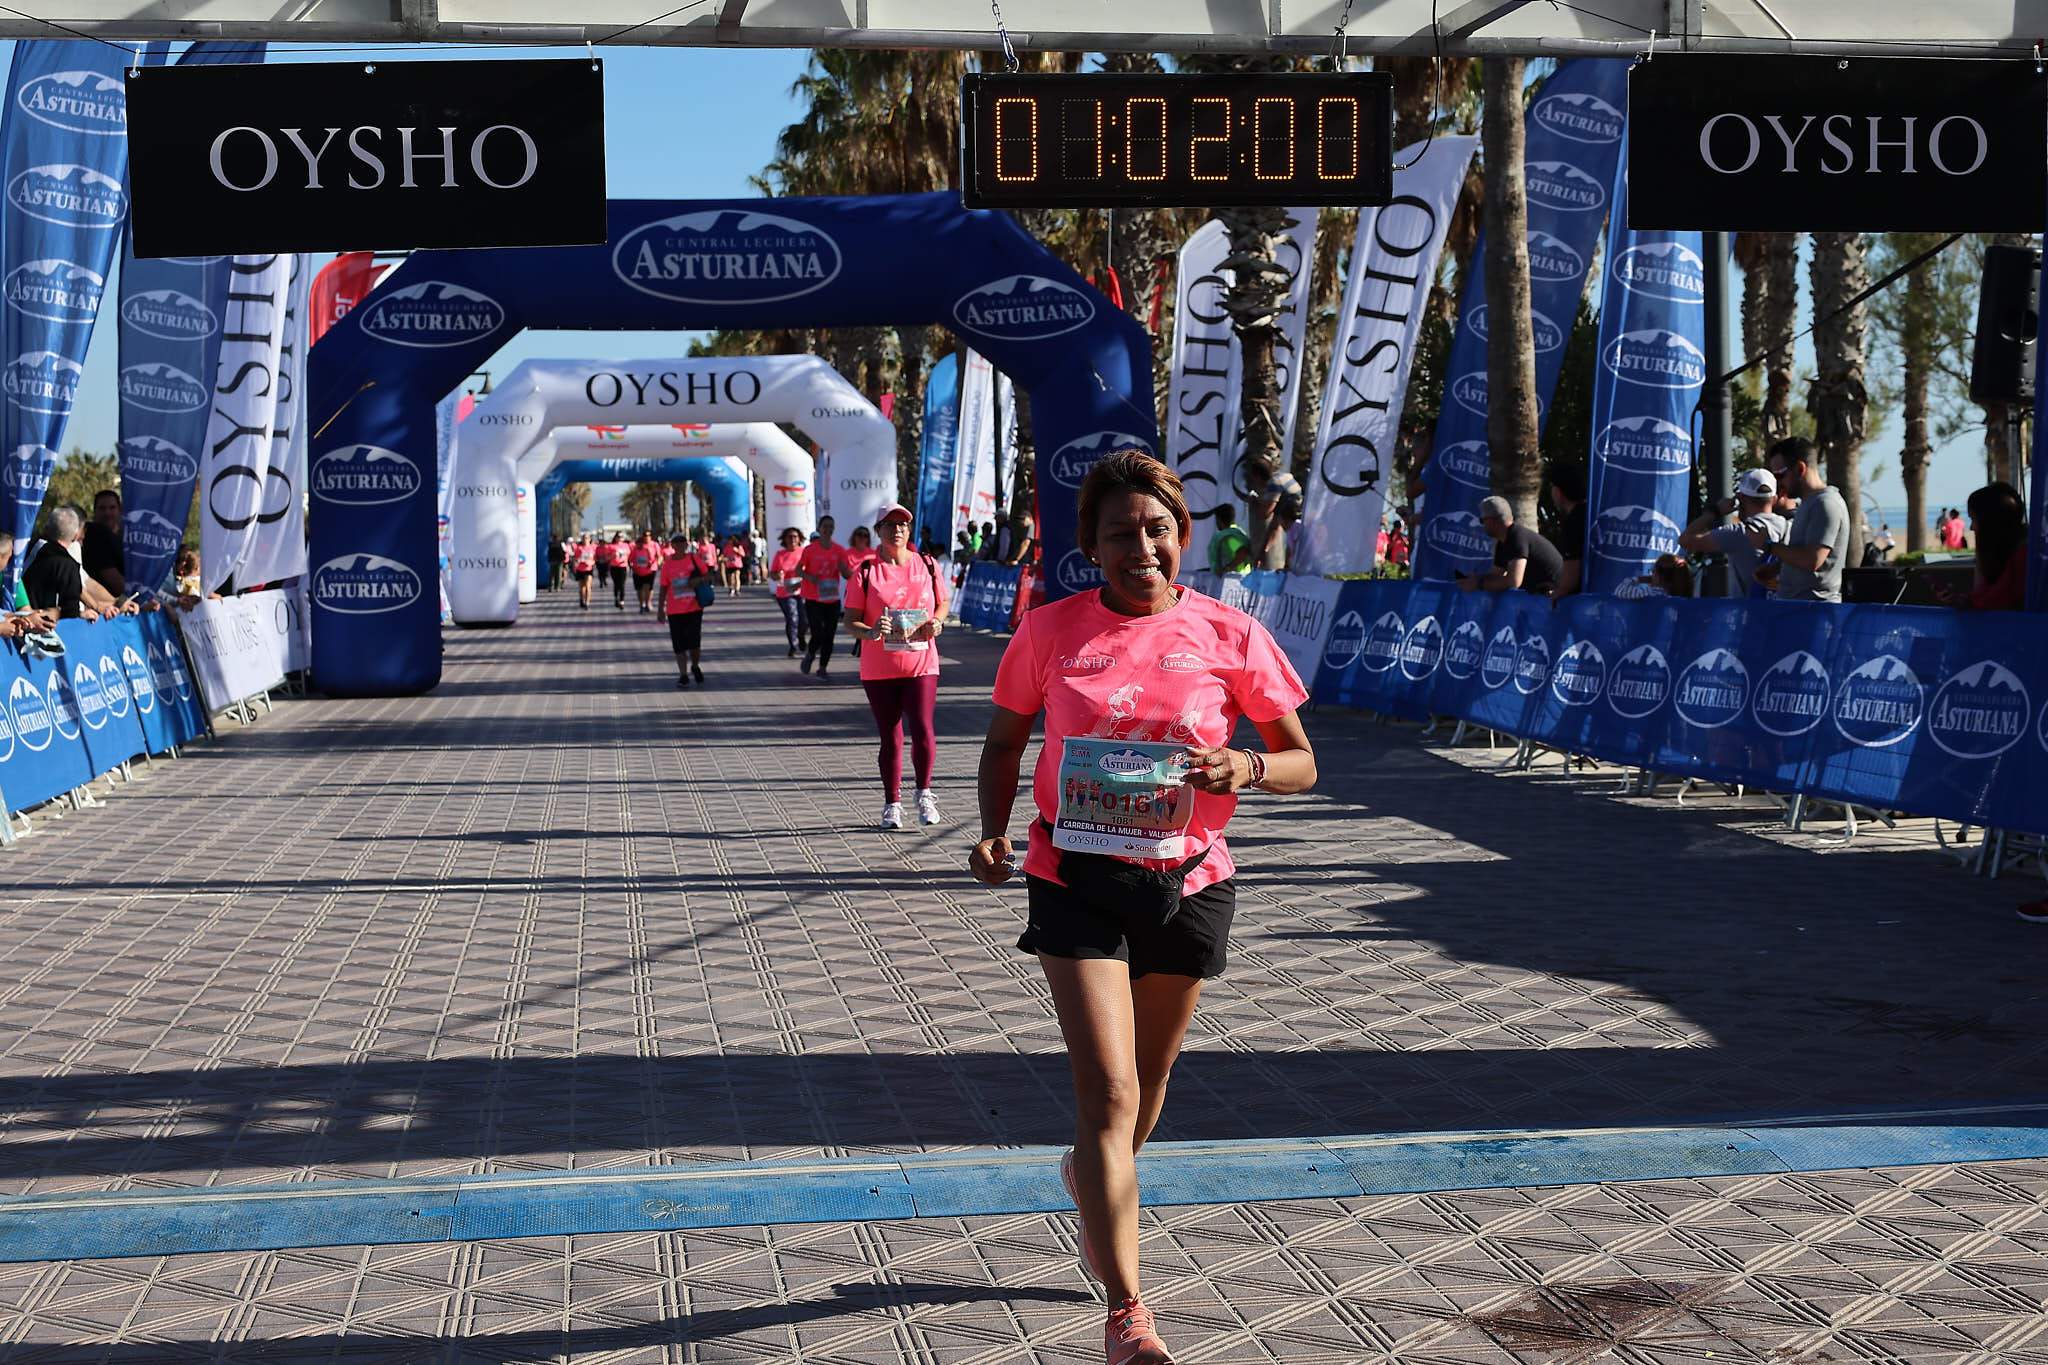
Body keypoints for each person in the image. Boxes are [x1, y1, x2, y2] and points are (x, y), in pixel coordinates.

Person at [970, 451, 1316, 1365]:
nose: (1142, 548)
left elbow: (1301, 760)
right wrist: (993, 832)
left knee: (1148, 1083)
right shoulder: (1049, 630)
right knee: (1110, 1088)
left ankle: (1089, 1172)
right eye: (1120, 533)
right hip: (1072, 873)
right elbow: (1004, 741)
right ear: (1090, 546)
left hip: (1189, 881)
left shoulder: (1229, 633)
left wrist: (1246, 765)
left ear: (1182, 536)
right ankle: (1127, 1313)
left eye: (1157, 529)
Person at [843, 504, 948, 829]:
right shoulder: (865, 571)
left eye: (902, 524)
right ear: (879, 531)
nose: (897, 530)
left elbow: (943, 602)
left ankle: (924, 793)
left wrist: (937, 622)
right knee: (890, 736)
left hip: (921, 662)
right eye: (889, 525)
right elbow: (850, 621)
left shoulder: (927, 564)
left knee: (923, 728)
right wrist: (871, 632)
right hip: (880, 668)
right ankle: (892, 803)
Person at [1679, 467, 1790, 598]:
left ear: (1740, 498)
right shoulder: (1789, 527)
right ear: (1775, 499)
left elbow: (1685, 540)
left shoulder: (1738, 533)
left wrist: (1715, 511)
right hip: (1783, 608)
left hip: (1749, 610)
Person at [1762, 437, 1848, 603]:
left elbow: (1812, 560)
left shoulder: (1826, 504)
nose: (1777, 483)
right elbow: (1803, 553)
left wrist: (1770, 547)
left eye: (1780, 475)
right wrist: (1775, 569)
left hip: (1814, 611)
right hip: (1797, 608)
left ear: (1800, 469)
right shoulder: (1808, 503)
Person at [1459, 495, 1562, 596]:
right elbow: (1496, 575)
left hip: (1557, 594)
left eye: (1482, 520)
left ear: (1493, 521)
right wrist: (1476, 579)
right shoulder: (1503, 541)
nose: (1482, 525)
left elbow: (1514, 581)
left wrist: (1479, 584)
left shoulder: (1517, 537)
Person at [799, 514, 856, 681]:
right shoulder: (810, 550)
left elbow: (847, 574)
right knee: (817, 634)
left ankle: (822, 668)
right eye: (825, 526)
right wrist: (810, 577)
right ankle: (810, 654)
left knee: (829, 635)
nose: (828, 529)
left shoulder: (839, 550)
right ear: (819, 528)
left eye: (831, 526)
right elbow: (798, 570)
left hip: (832, 599)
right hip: (813, 599)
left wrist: (846, 570)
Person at [1953, 481, 2026, 611]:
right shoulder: (2008, 548)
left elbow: (1987, 603)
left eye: (1973, 519)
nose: (1971, 527)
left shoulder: (2022, 554)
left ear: (1989, 522)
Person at [655, 532, 716, 687]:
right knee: (679, 644)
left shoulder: (694, 559)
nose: (680, 545)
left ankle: (694, 666)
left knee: (694, 643)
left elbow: (709, 576)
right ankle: (683, 675)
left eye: (683, 542)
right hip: (674, 611)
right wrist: (660, 609)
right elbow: (663, 587)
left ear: (686, 544)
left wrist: (699, 580)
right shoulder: (667, 565)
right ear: (672, 545)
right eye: (677, 542)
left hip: (694, 608)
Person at [23, 506, 96, 620]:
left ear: (47, 528)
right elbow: (71, 612)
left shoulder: (26, 549)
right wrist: (82, 614)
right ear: (76, 535)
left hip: (14, 619)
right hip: (44, 625)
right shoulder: (68, 566)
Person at [1243, 460, 1304, 571]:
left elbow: (1265, 513)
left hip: (1295, 520)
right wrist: (1263, 552)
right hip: (1297, 518)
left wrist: (1254, 501)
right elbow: (1274, 526)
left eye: (1253, 479)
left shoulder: (1274, 483)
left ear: (1257, 477)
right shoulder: (1284, 476)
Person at [1547, 465, 1587, 599]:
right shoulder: (1591, 513)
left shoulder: (1574, 521)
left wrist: (1557, 592)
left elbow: (1571, 577)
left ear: (1558, 492)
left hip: (1585, 601)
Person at [768, 527, 809, 657]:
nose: (792, 539)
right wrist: (777, 576)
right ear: (784, 539)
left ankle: (801, 637)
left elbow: (810, 571)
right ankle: (793, 646)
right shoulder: (780, 555)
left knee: (804, 620)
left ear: (800, 539)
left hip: (803, 591)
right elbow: (772, 573)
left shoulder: (804, 552)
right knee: (792, 617)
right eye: (789, 537)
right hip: (785, 593)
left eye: (795, 537)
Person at [82, 488, 125, 594]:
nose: (107, 513)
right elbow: (112, 579)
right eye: (102, 508)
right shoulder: (95, 534)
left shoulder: (125, 536)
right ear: (95, 511)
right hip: (106, 600)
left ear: (120, 510)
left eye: (112, 508)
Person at [1613, 553, 1694, 600]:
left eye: (1653, 571)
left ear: (1659, 576)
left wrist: (1639, 579)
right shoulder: (1683, 597)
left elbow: (1619, 591)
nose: (1651, 574)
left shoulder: (1649, 593)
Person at [1206, 506, 1251, 576]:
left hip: (1233, 579)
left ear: (1218, 520)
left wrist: (1226, 569)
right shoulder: (1238, 533)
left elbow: (1243, 552)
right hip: (1243, 577)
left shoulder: (1228, 538)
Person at [629, 531, 662, 613]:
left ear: (651, 536)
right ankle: (641, 604)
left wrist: (658, 563)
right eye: (645, 535)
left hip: (651, 570)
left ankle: (648, 603)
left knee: (648, 587)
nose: (646, 537)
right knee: (639, 589)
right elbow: (630, 559)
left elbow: (659, 556)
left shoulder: (654, 544)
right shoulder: (637, 546)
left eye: (648, 535)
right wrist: (632, 567)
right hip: (638, 571)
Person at [604, 532, 632, 609]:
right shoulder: (611, 546)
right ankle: (616, 598)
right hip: (614, 567)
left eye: (621, 537)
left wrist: (630, 563)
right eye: (618, 536)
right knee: (616, 584)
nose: (620, 538)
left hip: (623, 567)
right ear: (615, 537)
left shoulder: (626, 545)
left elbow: (629, 556)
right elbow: (606, 558)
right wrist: (612, 556)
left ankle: (622, 601)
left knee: (622, 584)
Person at [571, 534, 598, 608]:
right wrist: (577, 562)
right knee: (582, 587)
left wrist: (592, 562)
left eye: (586, 538)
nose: (585, 539)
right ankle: (582, 599)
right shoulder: (579, 548)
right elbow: (575, 559)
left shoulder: (593, 548)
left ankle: (587, 602)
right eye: (583, 538)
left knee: (588, 586)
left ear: (589, 539)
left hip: (589, 569)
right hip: (580, 569)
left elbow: (595, 558)